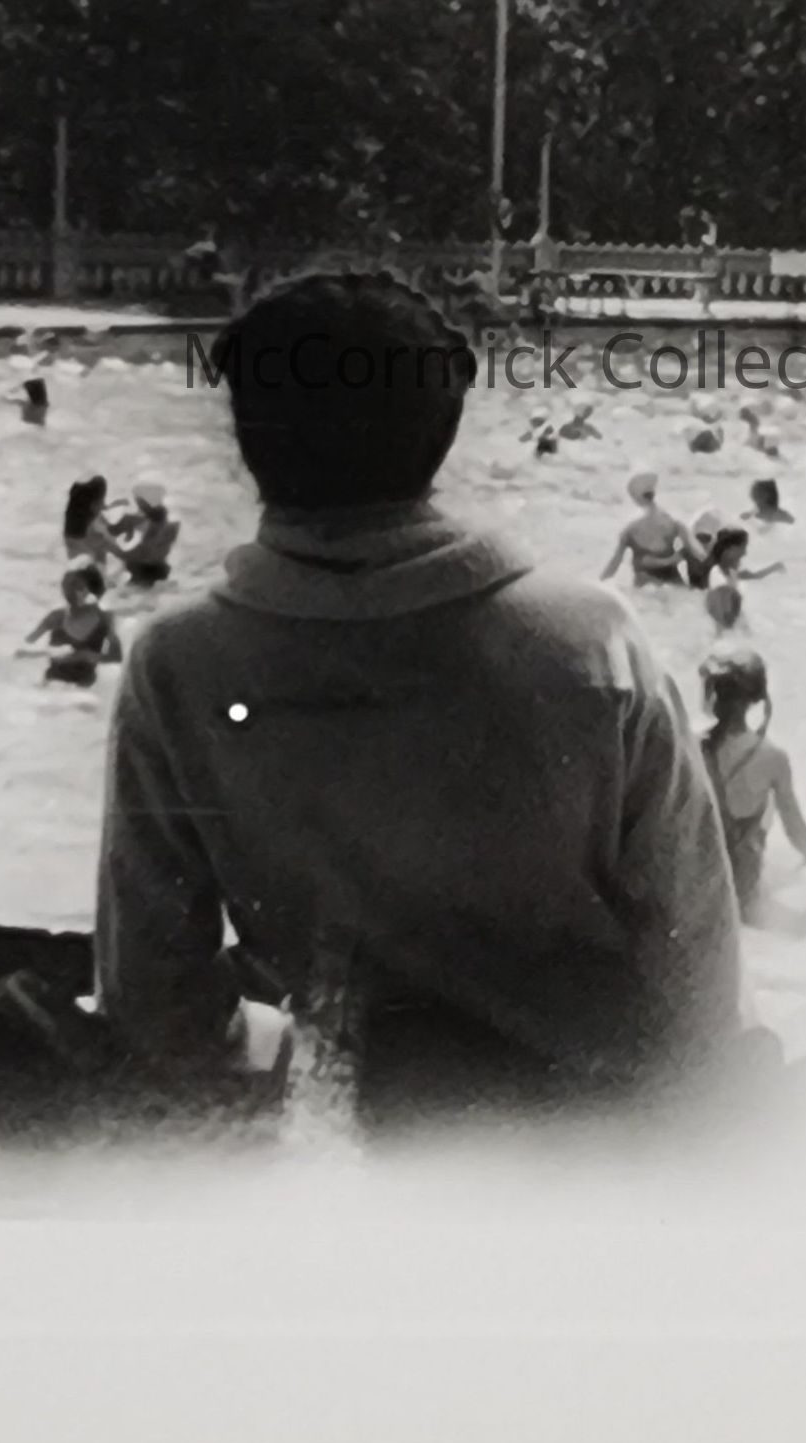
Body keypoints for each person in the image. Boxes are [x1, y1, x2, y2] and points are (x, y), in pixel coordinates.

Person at [96, 271, 745, 1128]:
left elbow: (153, 996)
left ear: (245, 436)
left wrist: (286, 1065)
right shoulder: (592, 638)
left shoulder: (179, 664)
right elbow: (699, 973)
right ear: (446, 426)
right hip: (590, 1134)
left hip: (348, 1132)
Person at [693, 646, 806, 923]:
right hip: (744, 893)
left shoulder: (691, 749)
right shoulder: (772, 757)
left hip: (701, 890)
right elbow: (795, 828)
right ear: (754, 699)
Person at [23, 563, 122, 688]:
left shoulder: (105, 620)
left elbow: (116, 658)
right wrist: (33, 654)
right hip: (50, 685)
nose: (75, 594)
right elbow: (27, 645)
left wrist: (83, 656)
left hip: (83, 688)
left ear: (94, 592)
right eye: (71, 587)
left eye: (81, 588)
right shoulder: (56, 617)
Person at [602, 471, 698, 589]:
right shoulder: (674, 523)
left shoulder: (630, 530)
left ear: (636, 499)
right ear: (654, 494)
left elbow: (614, 564)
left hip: (645, 589)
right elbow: (698, 553)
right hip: (674, 585)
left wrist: (599, 584)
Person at [113, 484, 180, 585]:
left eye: (139, 502)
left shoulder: (132, 520)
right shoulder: (171, 526)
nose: (137, 505)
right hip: (157, 570)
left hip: (141, 569)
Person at [63, 475, 116, 562]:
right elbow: (114, 544)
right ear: (93, 504)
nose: (103, 505)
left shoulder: (74, 515)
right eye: (101, 500)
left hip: (77, 544)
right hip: (89, 557)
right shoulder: (95, 526)